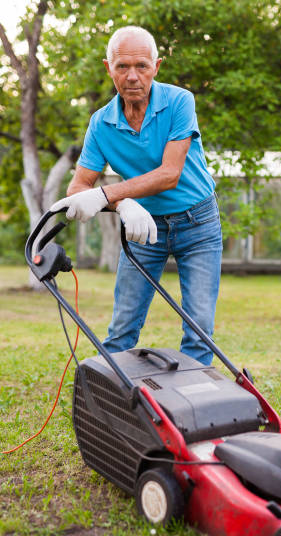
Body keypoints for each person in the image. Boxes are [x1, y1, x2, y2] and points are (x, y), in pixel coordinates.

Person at [51, 26, 222, 366]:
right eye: (122, 67)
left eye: (141, 66)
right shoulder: (101, 124)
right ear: (108, 68)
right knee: (122, 327)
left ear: (156, 66)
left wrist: (107, 193)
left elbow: (169, 174)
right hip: (142, 227)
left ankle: (190, 409)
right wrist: (124, 203)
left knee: (199, 328)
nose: (132, 76)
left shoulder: (178, 102)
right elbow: (77, 188)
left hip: (198, 223)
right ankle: (110, 408)